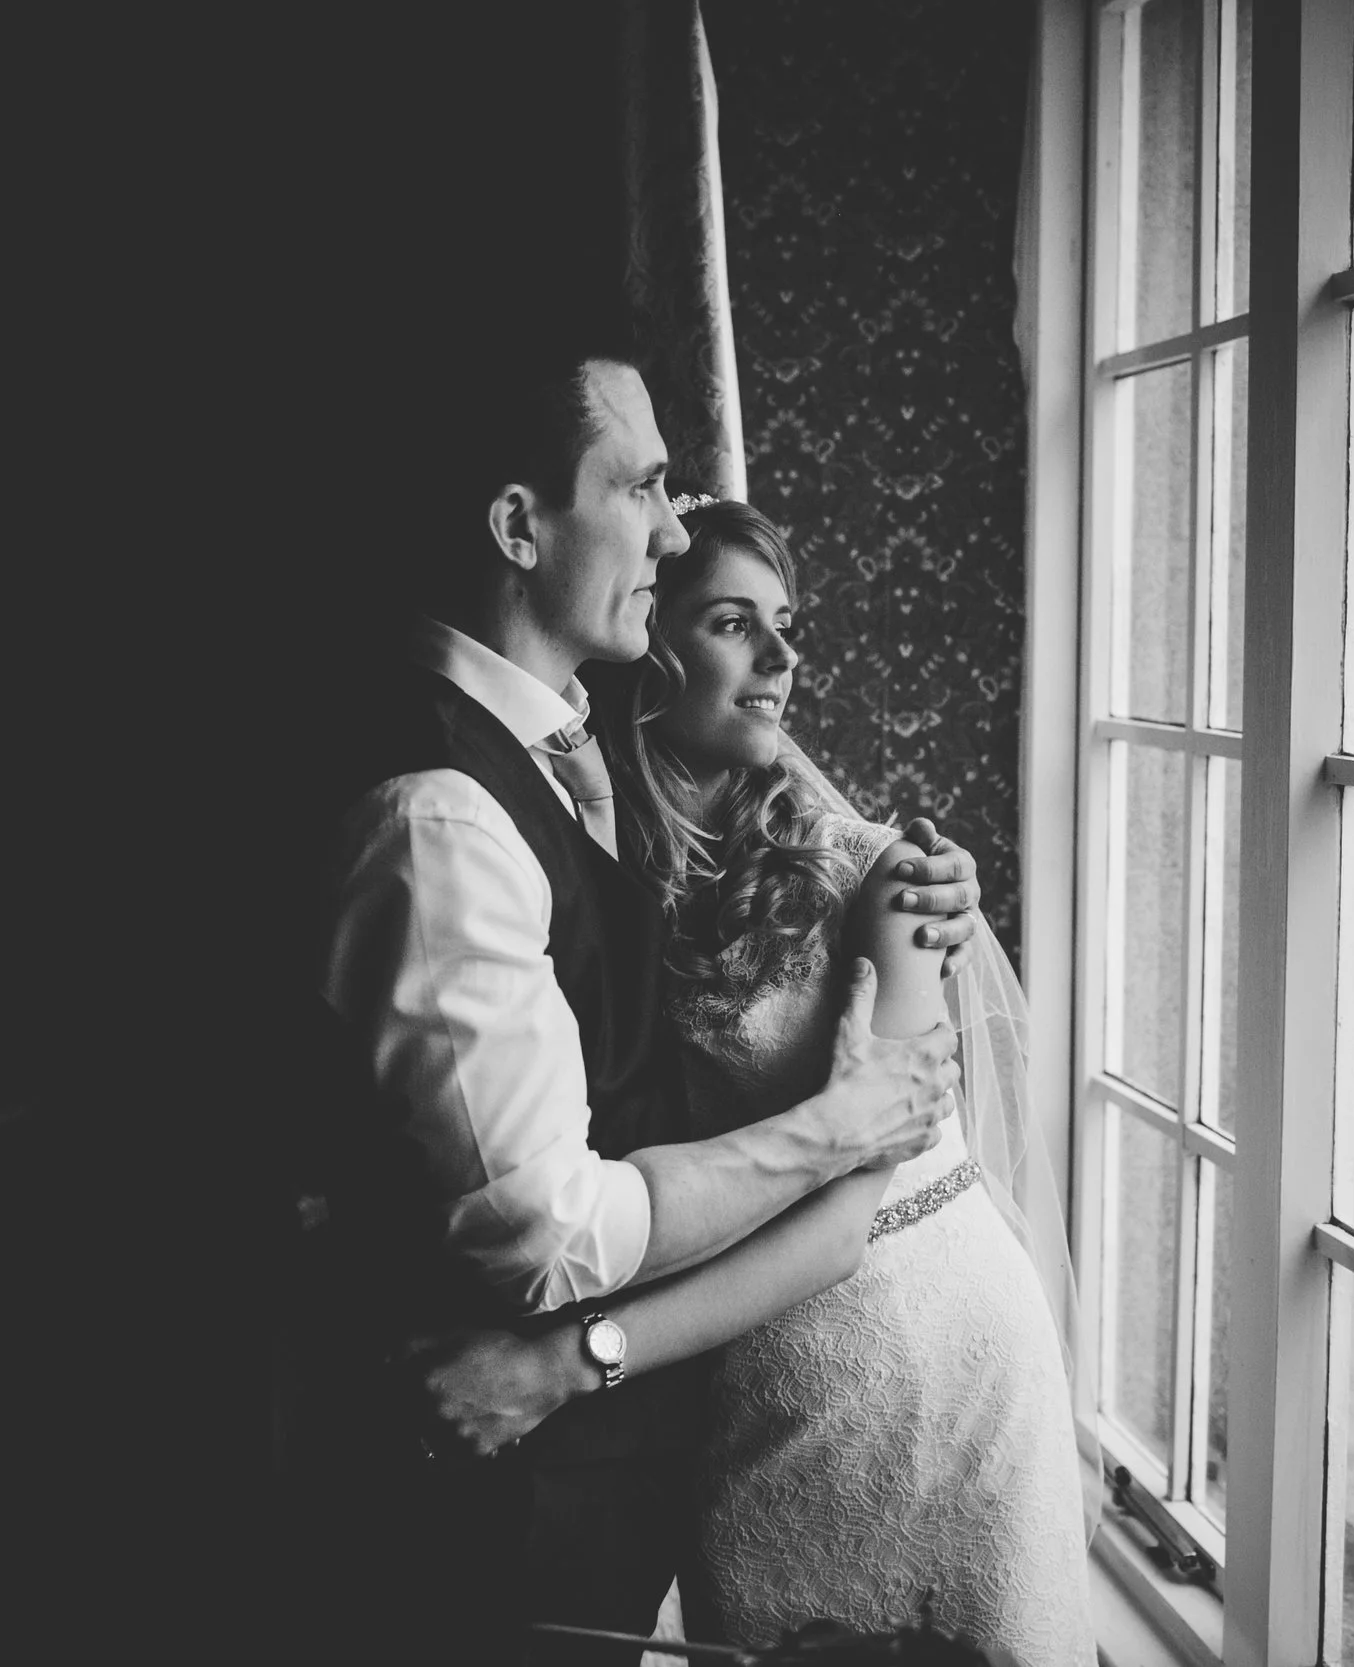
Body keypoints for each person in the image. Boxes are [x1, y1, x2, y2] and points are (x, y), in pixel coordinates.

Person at [296, 327, 993, 1665]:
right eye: (641, 487)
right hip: (504, 1488)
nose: (672, 533)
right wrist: (840, 1124)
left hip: (782, 1402)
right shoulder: (444, 814)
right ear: (518, 523)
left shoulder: (557, 758)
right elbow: (550, 1231)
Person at [399, 498, 1098, 1664]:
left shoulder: (886, 878)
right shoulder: (578, 853)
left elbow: (837, 1230)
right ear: (647, 641)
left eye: (787, 625)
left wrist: (561, 1364)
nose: (781, 659)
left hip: (919, 1354)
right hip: (743, 1386)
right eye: (734, 622)